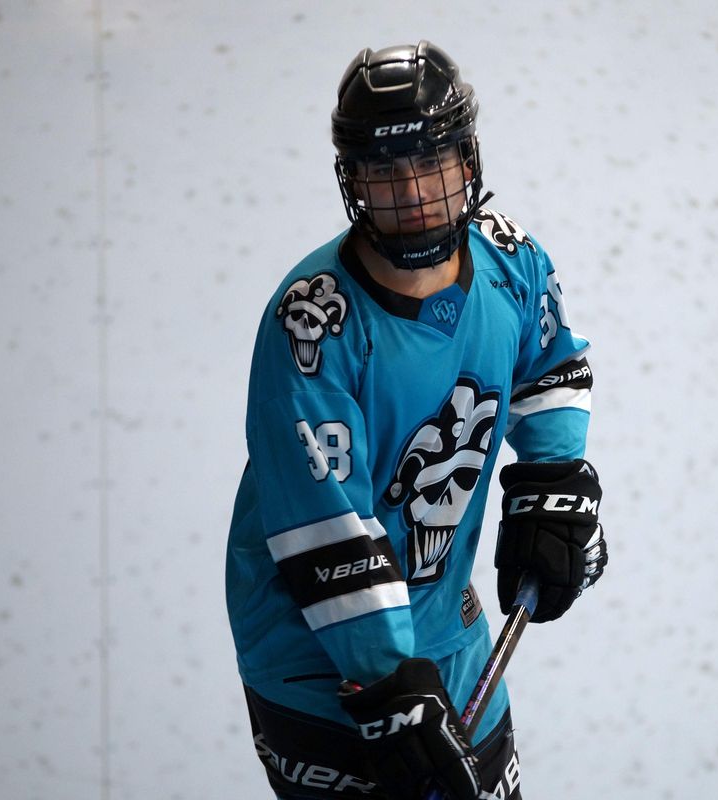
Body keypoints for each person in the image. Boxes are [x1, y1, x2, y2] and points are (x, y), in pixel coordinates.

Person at [225, 40, 607, 800]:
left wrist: (552, 478)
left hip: (447, 628)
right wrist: (387, 683)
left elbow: (550, 364)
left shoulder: (511, 259)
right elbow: (324, 527)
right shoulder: (314, 323)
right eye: (384, 170)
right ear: (352, 180)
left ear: (467, 159)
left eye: (430, 161)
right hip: (318, 662)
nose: (413, 192)